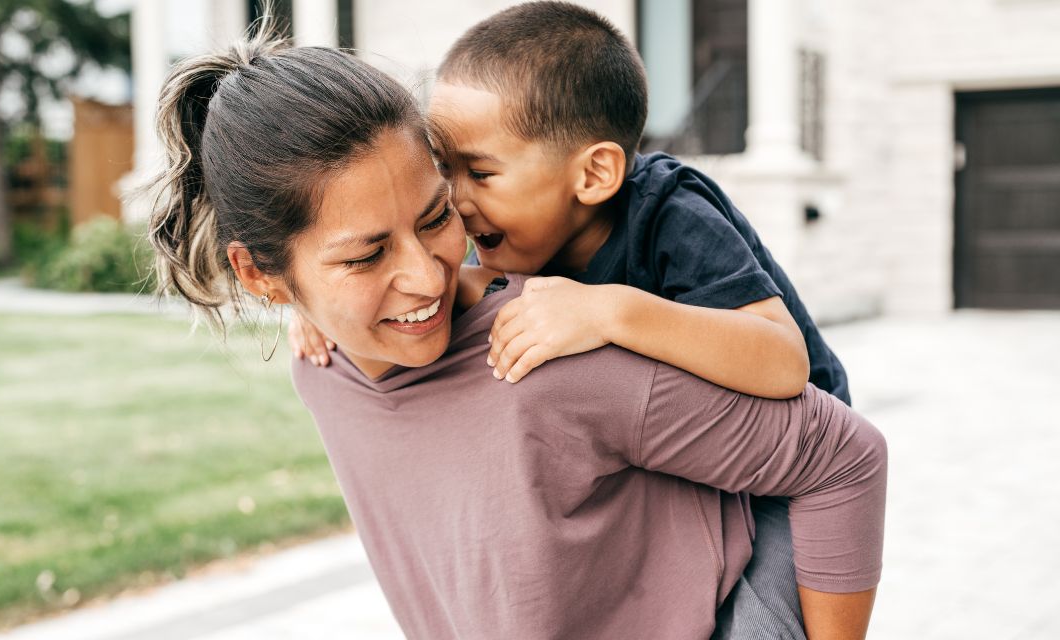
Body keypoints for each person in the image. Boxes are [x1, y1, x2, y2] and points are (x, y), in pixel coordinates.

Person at [147, 25, 887, 640]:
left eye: (438, 214)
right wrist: (310, 308)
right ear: (261, 275)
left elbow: (808, 402)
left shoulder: (648, 242)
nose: (434, 273)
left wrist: (611, 312)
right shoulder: (326, 367)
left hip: (783, 448)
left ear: (592, 175)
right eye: (368, 254)